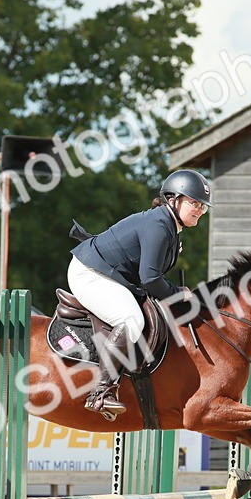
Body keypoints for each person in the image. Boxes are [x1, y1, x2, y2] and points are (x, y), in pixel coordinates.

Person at [68, 169, 209, 417]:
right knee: (131, 320)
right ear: (173, 199)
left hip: (109, 275)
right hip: (89, 273)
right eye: (194, 203)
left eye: (203, 206)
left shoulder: (171, 228)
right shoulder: (159, 225)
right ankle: (100, 393)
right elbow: (151, 278)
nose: (199, 209)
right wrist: (179, 293)